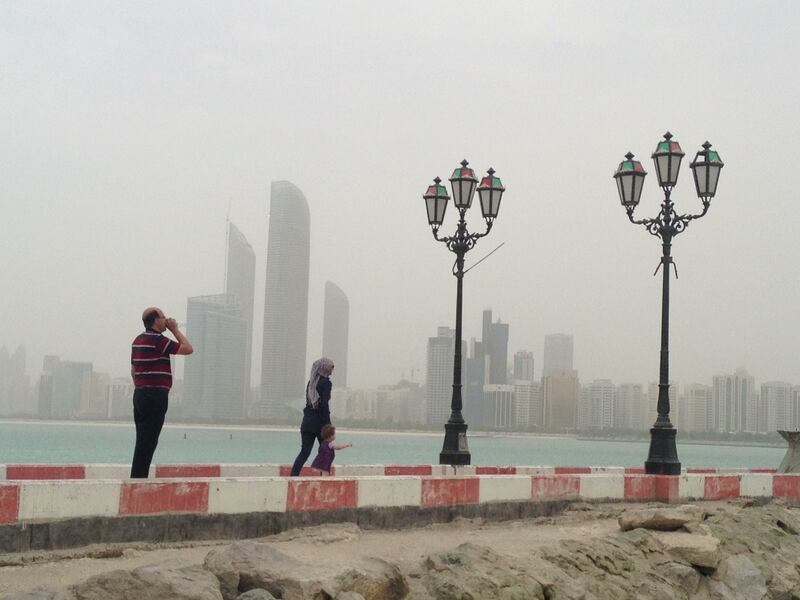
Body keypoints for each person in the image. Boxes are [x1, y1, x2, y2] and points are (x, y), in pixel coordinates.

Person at [130, 307, 193, 478]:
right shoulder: (158, 340)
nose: (166, 320)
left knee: (142, 439)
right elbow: (188, 348)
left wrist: (142, 386)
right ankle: (138, 479)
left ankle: (138, 477)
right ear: (155, 320)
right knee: (149, 440)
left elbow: (134, 370)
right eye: (163, 317)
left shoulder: (137, 341)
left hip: (140, 395)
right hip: (155, 396)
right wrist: (174, 329)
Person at [290, 357, 334, 476]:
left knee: (304, 452)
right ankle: (323, 478)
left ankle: (293, 477)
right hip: (320, 425)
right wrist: (328, 425)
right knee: (327, 452)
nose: (332, 369)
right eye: (331, 367)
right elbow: (324, 405)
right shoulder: (326, 383)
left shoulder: (311, 383)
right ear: (324, 367)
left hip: (307, 423)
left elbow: (309, 404)